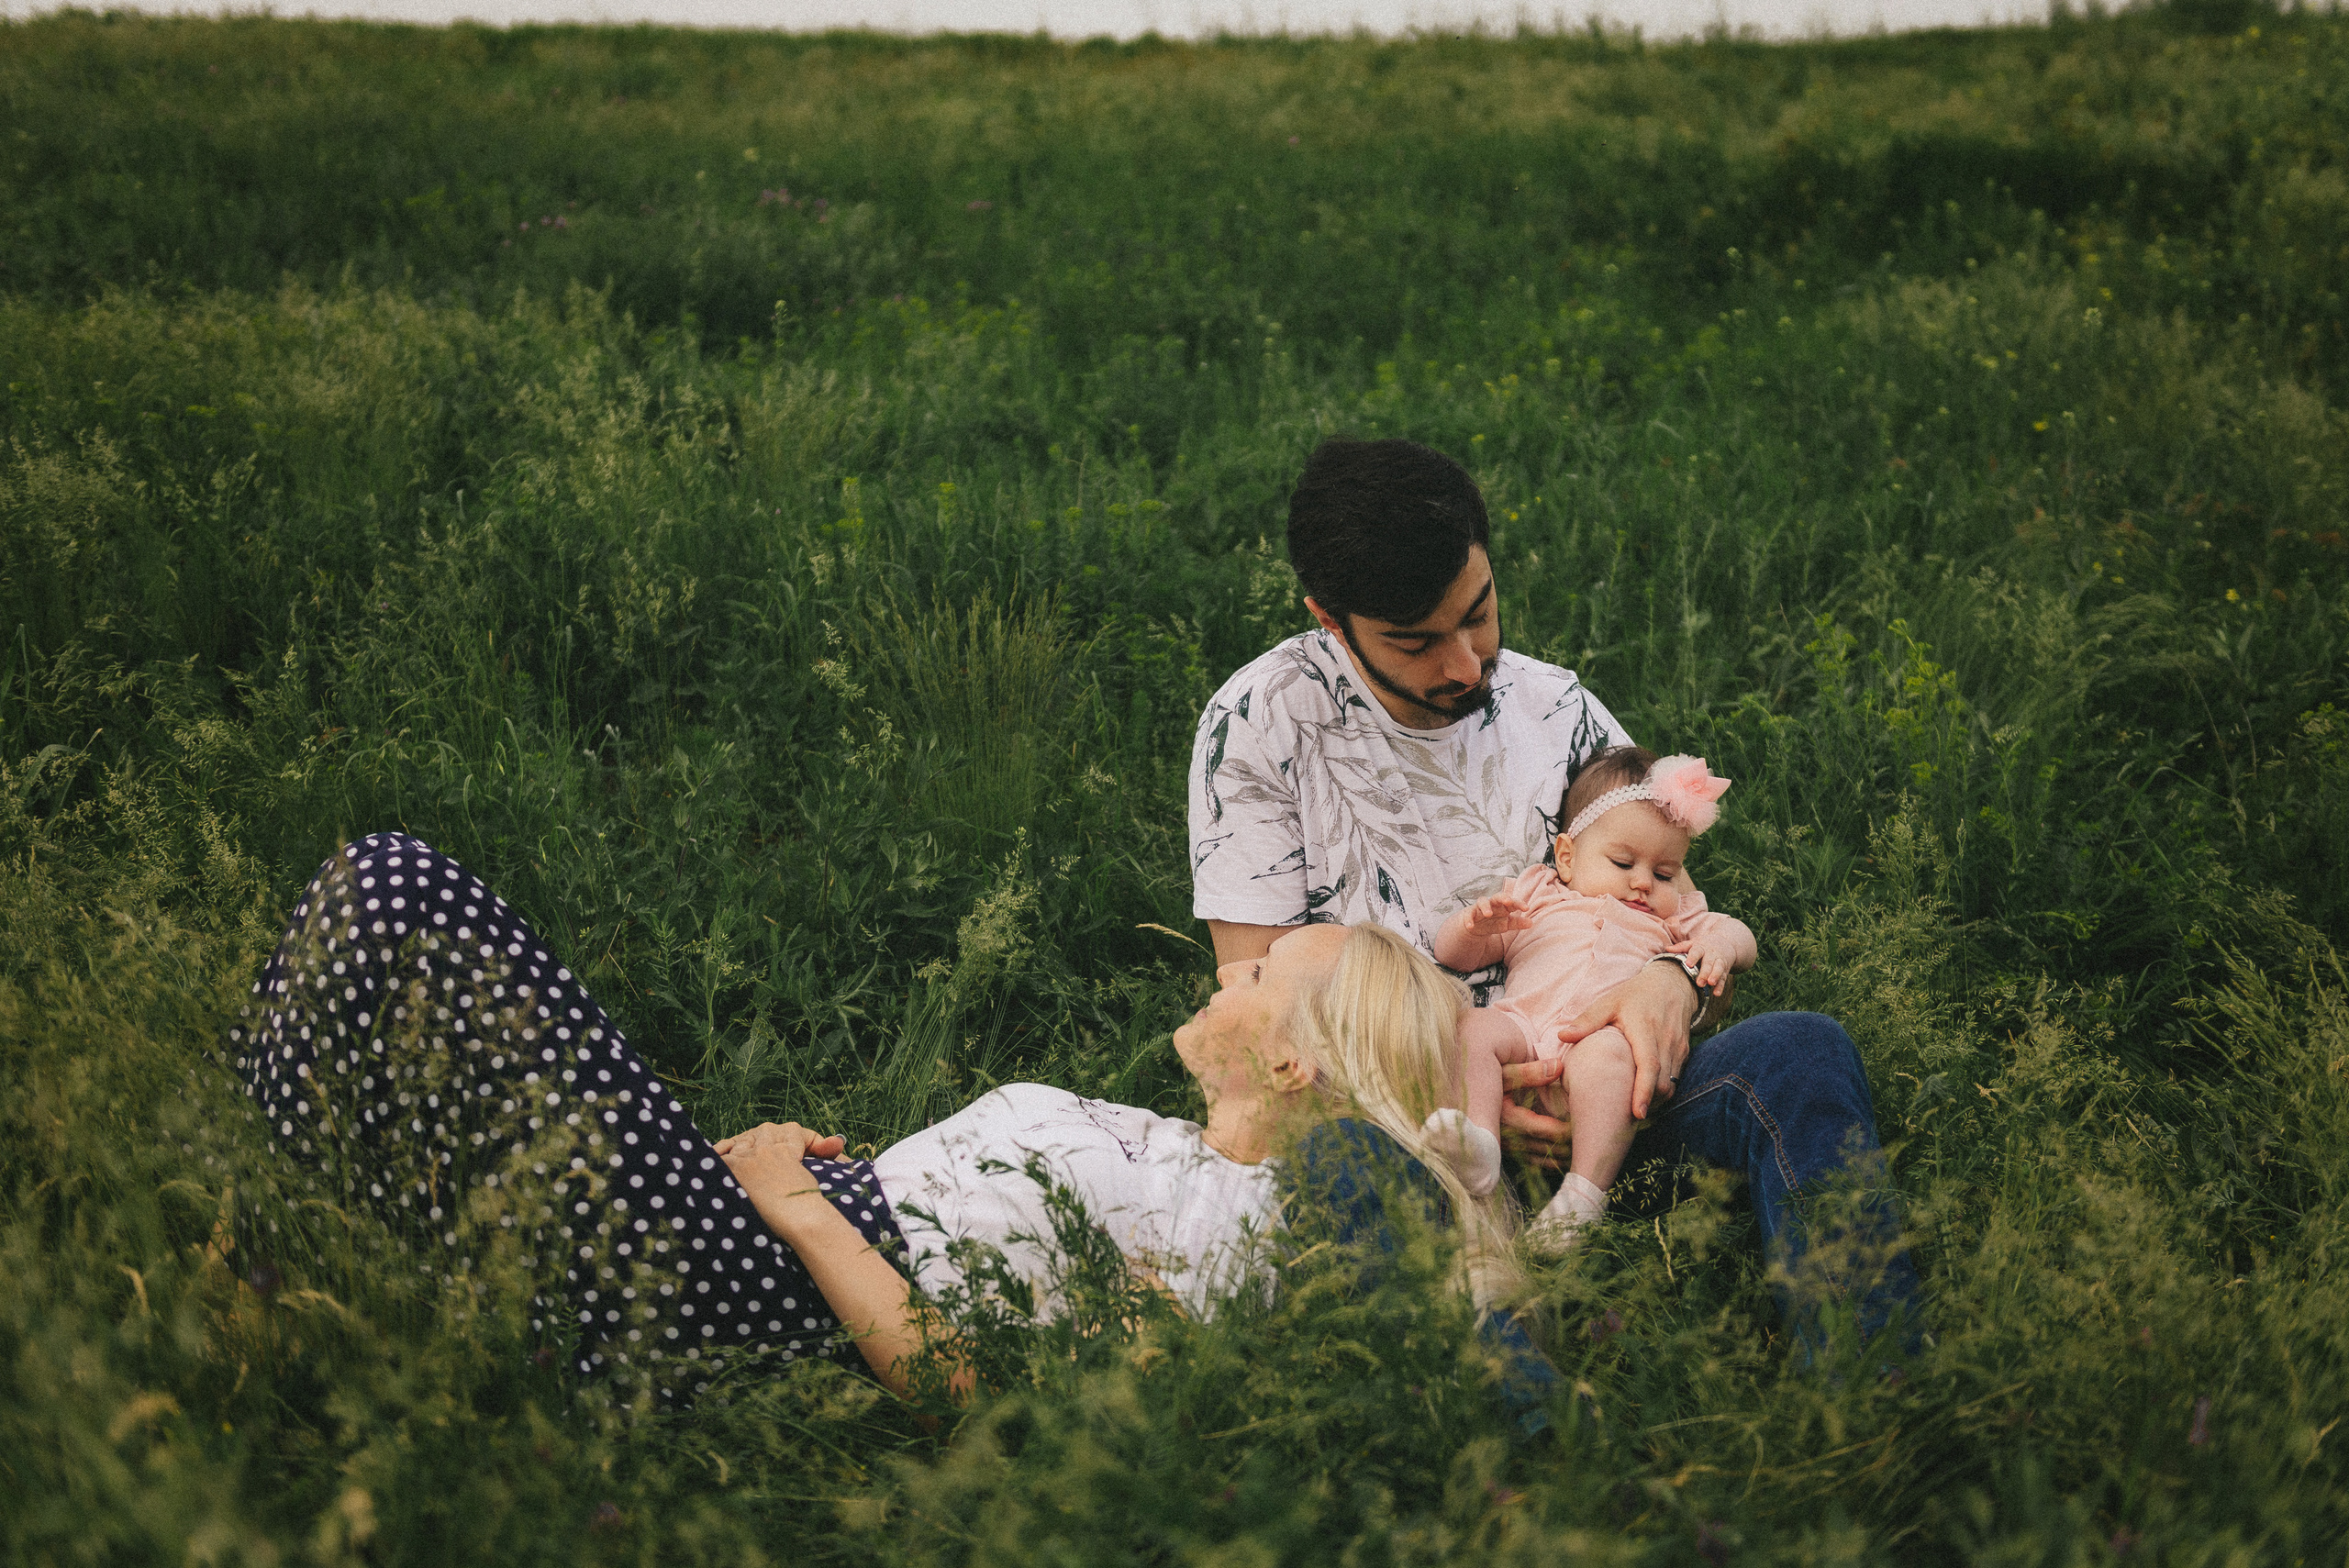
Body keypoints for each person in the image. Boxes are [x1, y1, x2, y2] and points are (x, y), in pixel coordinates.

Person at [230, 832, 1545, 1411]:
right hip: (762, 1233)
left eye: (1263, 978)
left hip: (748, 1294)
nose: (1229, 972)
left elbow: (983, 1393)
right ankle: (281, 1247)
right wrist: (844, 1169)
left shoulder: (1239, 1222)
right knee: (370, 919)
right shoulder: (1174, 1152)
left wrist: (803, 1213)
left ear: (1301, 1067)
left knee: (401, 896)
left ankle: (265, 1237)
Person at [1188, 437, 1923, 1351]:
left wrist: (1671, 980)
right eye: (1416, 643)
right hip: (1418, 1137)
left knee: (1801, 1049)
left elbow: (1656, 893)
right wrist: (1452, 1100)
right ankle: (1527, 1419)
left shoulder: (1557, 712)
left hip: (1609, 1110)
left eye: (1478, 615)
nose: (1463, 664)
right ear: (1330, 620)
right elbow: (1254, 1021)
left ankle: (1877, 1385)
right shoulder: (1260, 728)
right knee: (1345, 1168)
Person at [1430, 745, 1758, 1246]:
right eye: (1623, 861)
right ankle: (1480, 1141)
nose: (1643, 882)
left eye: (1664, 873)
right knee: (1472, 1029)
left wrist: (1719, 945)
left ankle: (1583, 1195)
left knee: (1607, 1058)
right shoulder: (1538, 893)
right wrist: (1474, 926)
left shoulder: (1675, 918)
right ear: (1567, 856)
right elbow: (1456, 955)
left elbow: (1742, 938)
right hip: (1523, 1026)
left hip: (1601, 1041)